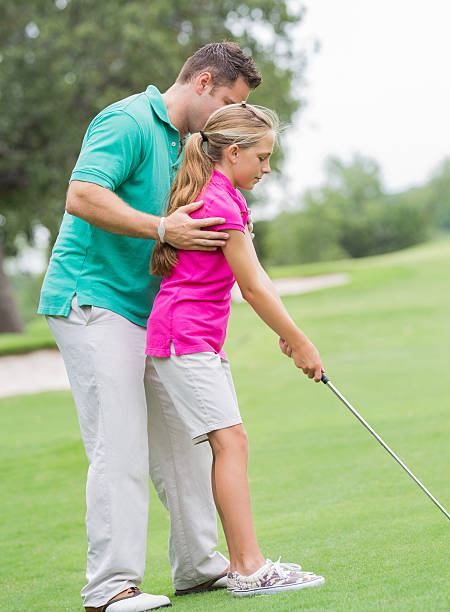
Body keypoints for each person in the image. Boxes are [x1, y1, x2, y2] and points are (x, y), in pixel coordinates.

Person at [38, 42, 265, 612]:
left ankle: (197, 567)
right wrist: (163, 227)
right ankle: (110, 590)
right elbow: (82, 195)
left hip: (152, 313)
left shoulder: (192, 145)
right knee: (120, 445)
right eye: (228, 102)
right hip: (92, 300)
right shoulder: (129, 120)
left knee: (186, 446)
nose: (228, 117)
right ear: (204, 81)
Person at [146, 102, 326, 597]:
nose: (268, 168)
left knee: (230, 443)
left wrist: (287, 333)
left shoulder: (225, 194)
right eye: (263, 157)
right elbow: (254, 289)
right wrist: (301, 341)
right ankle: (248, 569)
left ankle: (245, 565)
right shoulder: (220, 202)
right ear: (232, 152)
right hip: (184, 340)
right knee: (232, 443)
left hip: (194, 340)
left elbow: (258, 281)